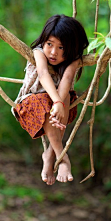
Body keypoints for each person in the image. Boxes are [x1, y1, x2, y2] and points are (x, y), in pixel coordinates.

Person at [13, 14, 89, 185]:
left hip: (60, 110)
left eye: (61, 47)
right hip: (31, 107)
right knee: (45, 102)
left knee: (66, 96)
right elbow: (42, 73)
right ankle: (62, 157)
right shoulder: (38, 52)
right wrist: (56, 102)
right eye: (50, 44)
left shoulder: (73, 59)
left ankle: (50, 153)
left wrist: (59, 104)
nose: (54, 52)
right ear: (44, 41)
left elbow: (67, 80)